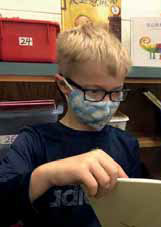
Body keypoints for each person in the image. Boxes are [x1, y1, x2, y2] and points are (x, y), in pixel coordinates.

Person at [0, 23, 142, 227]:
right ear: (63, 85)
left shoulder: (126, 145)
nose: (108, 102)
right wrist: (48, 174)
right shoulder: (34, 142)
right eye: (94, 91)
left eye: (116, 92)